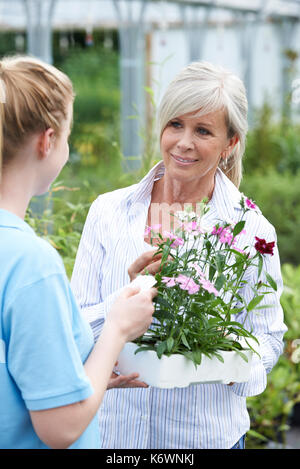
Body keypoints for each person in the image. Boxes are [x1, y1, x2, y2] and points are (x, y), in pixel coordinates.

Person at [71, 61, 287, 449]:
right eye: (175, 124)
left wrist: (233, 359)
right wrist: (126, 300)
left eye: (203, 130)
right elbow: (73, 327)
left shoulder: (251, 229)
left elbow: (268, 337)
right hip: (113, 436)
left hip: (202, 438)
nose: (183, 142)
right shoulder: (109, 212)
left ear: (230, 143)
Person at [0, 55, 158, 450]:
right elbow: (60, 428)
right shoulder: (30, 263)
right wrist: (118, 328)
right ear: (47, 140)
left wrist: (81, 374)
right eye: (68, 135)